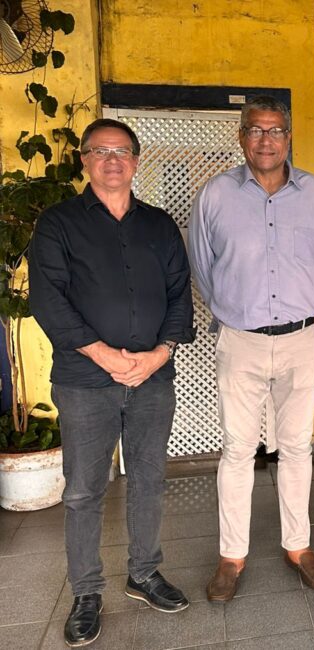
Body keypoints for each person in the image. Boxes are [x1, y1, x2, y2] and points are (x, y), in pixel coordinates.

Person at [28, 118, 196, 647]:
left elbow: (179, 296)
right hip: (84, 379)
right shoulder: (57, 224)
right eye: (100, 151)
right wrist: (104, 355)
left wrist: (156, 356)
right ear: (84, 160)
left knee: (148, 479)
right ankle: (86, 592)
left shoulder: (160, 226)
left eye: (122, 150)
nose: (112, 159)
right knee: (83, 490)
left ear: (136, 160)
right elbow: (48, 300)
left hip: (152, 378)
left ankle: (144, 573)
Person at [188, 96, 314, 600]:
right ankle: (232, 556)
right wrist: (235, 309)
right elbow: (202, 266)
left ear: (289, 136)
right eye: (256, 130)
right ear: (241, 136)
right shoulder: (215, 195)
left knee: (297, 446)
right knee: (237, 449)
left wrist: (301, 305)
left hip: (301, 339)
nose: (266, 140)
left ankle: (298, 546)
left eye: (275, 130)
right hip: (241, 340)